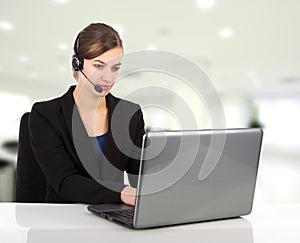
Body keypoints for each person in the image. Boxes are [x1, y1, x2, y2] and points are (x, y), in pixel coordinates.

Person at [29, 23, 145, 206]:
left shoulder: (130, 114)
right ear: (77, 62)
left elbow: (140, 176)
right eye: (99, 66)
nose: (108, 78)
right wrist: (121, 193)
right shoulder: (46, 115)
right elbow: (65, 182)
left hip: (113, 216)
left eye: (115, 68)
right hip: (63, 219)